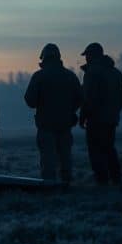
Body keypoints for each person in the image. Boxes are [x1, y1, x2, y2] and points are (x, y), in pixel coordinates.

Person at [24, 43, 82, 184]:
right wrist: (69, 111)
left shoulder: (39, 76)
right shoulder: (70, 76)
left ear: (44, 58)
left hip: (46, 125)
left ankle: (49, 189)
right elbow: (80, 98)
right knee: (65, 158)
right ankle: (67, 186)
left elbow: (30, 100)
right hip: (65, 124)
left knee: (48, 160)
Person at [79, 42, 122, 186]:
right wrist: (115, 110)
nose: (85, 58)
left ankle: (102, 181)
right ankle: (116, 179)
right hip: (111, 119)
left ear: (92, 55)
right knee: (109, 149)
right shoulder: (116, 73)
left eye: (87, 55)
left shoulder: (92, 73)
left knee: (95, 151)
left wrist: (83, 117)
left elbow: (88, 98)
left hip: (96, 119)